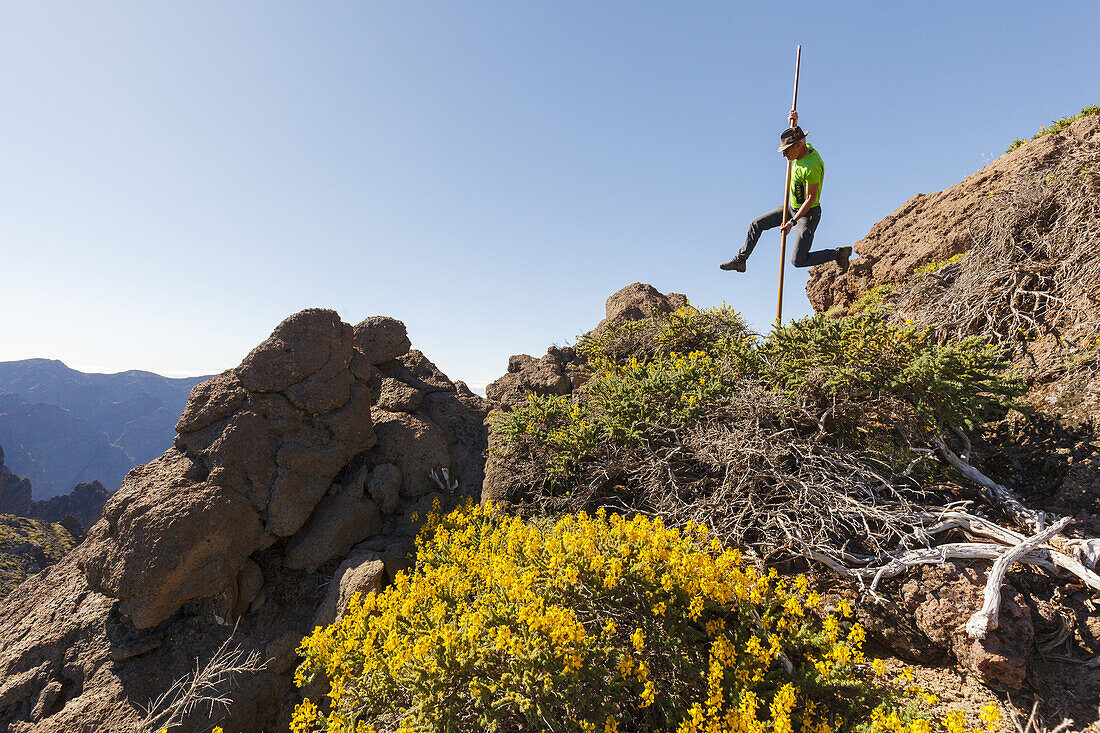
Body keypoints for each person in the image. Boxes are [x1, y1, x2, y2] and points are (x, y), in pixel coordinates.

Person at [720, 110, 851, 273]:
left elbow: (810, 199)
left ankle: (839, 254)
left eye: (786, 150)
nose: (783, 155)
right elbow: (799, 137)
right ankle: (741, 261)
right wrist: (794, 124)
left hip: (808, 215)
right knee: (756, 224)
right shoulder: (802, 147)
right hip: (791, 208)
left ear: (797, 146)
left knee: (798, 260)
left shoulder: (812, 166)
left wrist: (792, 222)